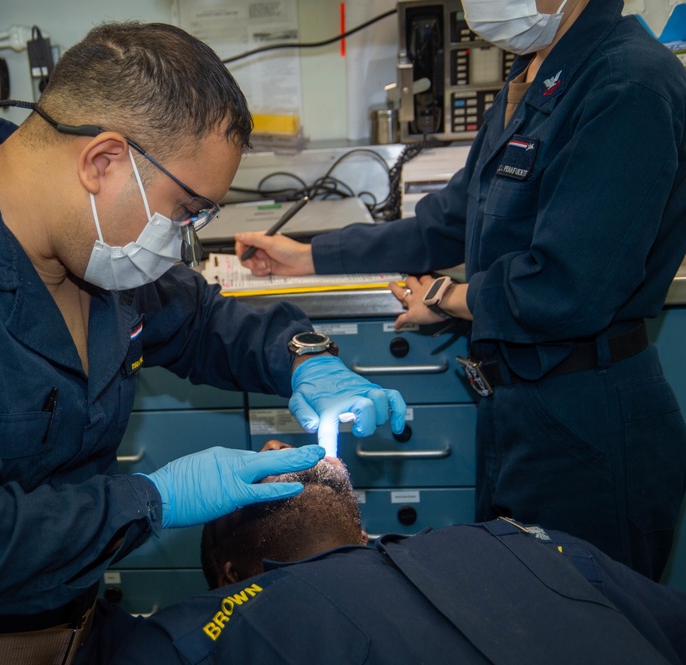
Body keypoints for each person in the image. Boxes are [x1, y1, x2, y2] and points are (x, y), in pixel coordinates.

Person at [0, 21, 407, 665]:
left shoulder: (92, 247)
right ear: (102, 162)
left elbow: (201, 317)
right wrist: (154, 501)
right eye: (186, 209)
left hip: (68, 620)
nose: (184, 237)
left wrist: (305, 357)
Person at [235, 0, 686, 580]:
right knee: (513, 617)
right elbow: (448, 220)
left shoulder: (629, 84)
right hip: (516, 412)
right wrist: (311, 255)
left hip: (589, 422)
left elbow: (566, 284)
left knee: (585, 628)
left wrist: (448, 297)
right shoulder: (535, 74)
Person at [105, 443, 686, 664]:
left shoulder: (523, 540)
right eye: (247, 475)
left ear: (364, 535)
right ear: (230, 575)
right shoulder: (209, 629)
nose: (277, 447)